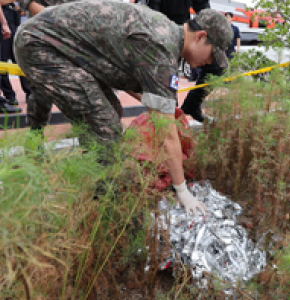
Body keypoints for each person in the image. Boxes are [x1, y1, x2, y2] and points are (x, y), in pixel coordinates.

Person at [14, 1, 233, 216]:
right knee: (105, 126)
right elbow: (167, 135)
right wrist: (182, 190)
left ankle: (97, 178)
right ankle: (105, 205)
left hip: (62, 47)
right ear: (201, 36)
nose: (209, 62)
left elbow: (131, 78)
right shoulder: (161, 47)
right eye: (212, 54)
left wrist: (160, 107)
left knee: (111, 111)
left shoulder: (166, 33)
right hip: (40, 45)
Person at [0, 2, 31, 103]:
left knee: (21, 61)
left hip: (15, 26)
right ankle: (9, 95)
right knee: (1, 64)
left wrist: (17, 7)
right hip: (0, 28)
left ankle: (30, 92)